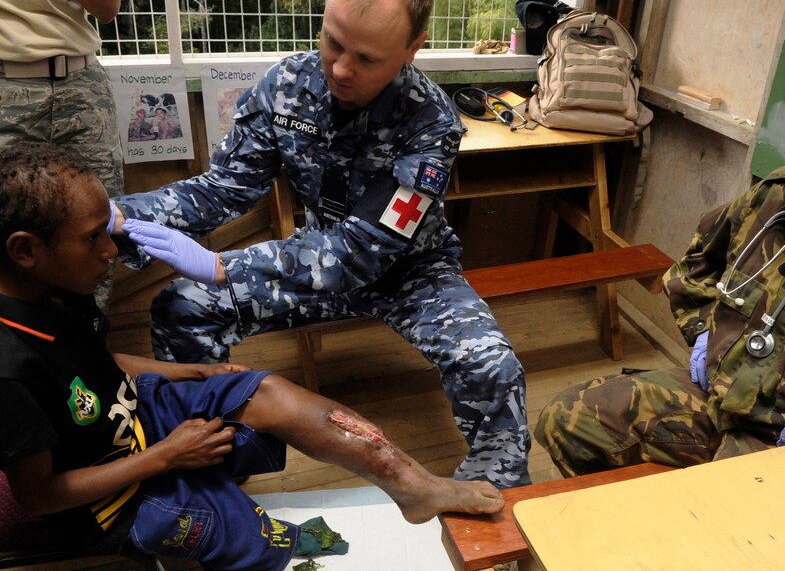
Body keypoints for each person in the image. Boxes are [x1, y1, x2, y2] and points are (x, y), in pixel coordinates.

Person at [0, 142, 504, 571]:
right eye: (94, 238)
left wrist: (198, 371)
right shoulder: (9, 370)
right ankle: (224, 515)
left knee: (267, 392)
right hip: (108, 501)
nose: (111, 252)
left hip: (135, 418)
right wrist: (165, 457)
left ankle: (415, 488)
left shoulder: (57, 286)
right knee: (255, 537)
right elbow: (41, 495)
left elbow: (96, 364)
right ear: (25, 250)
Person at [110, 0, 530, 488]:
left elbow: (363, 251)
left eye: (367, 58)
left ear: (411, 48)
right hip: (312, 267)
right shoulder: (285, 85)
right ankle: (207, 457)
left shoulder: (430, 122)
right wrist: (118, 215)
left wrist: (229, 267)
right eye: (332, 42)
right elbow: (224, 188)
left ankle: (498, 514)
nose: (340, 69)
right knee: (182, 308)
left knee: (492, 368)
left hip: (412, 275)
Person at [534, 50, 785, 477]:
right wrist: (705, 331)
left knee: (714, 525)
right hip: (718, 403)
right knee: (567, 421)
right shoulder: (773, 199)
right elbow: (697, 263)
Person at [0, 0, 123, 311]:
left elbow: (107, 5)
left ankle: (89, 350)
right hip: (5, 84)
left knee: (100, 225)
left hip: (81, 82)